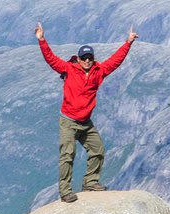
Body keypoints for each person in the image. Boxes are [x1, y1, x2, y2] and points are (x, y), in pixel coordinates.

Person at [35, 22, 139, 203]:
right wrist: (42, 40)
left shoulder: (99, 72)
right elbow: (51, 59)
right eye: (84, 58)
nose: (87, 61)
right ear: (79, 58)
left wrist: (128, 42)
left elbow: (115, 61)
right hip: (68, 121)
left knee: (97, 150)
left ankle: (90, 182)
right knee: (67, 156)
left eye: (90, 58)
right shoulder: (68, 69)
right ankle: (65, 191)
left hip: (85, 122)